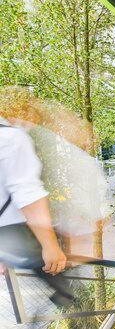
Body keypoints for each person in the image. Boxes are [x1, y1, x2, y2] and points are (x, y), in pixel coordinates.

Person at [0, 88, 73, 308]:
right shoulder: (12, 138)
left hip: (7, 239)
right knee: (69, 295)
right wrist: (50, 246)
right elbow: (28, 195)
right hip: (16, 233)